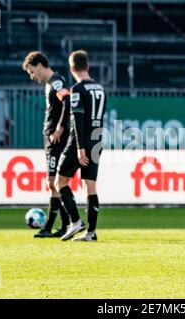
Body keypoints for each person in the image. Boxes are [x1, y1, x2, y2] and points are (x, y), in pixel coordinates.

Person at [57, 50, 106, 242]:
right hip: (96, 140)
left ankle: (76, 221)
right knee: (90, 186)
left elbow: (77, 119)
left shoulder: (77, 89)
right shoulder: (100, 89)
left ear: (71, 69)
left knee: (59, 182)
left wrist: (79, 147)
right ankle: (91, 232)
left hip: (81, 141)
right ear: (88, 66)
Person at [22, 51, 71, 238]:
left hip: (56, 139)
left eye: (32, 72)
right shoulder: (51, 83)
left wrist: (59, 127)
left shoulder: (56, 82)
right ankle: (63, 225)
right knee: (54, 183)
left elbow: (67, 100)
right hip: (51, 138)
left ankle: (54, 226)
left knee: (54, 182)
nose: (32, 76)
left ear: (40, 65)